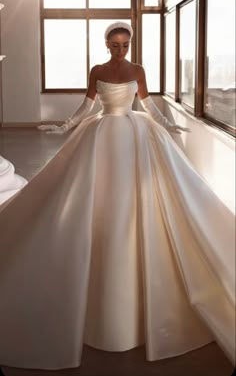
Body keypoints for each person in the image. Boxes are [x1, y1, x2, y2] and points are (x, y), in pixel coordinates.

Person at [0, 22, 235, 370]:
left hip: (132, 133)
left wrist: (168, 126)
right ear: (106, 44)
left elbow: (147, 106)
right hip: (103, 133)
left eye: (125, 45)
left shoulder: (138, 70)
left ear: (130, 45)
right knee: (96, 196)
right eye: (114, 45)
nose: (120, 50)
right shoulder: (97, 70)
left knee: (135, 199)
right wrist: (63, 126)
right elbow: (88, 107)